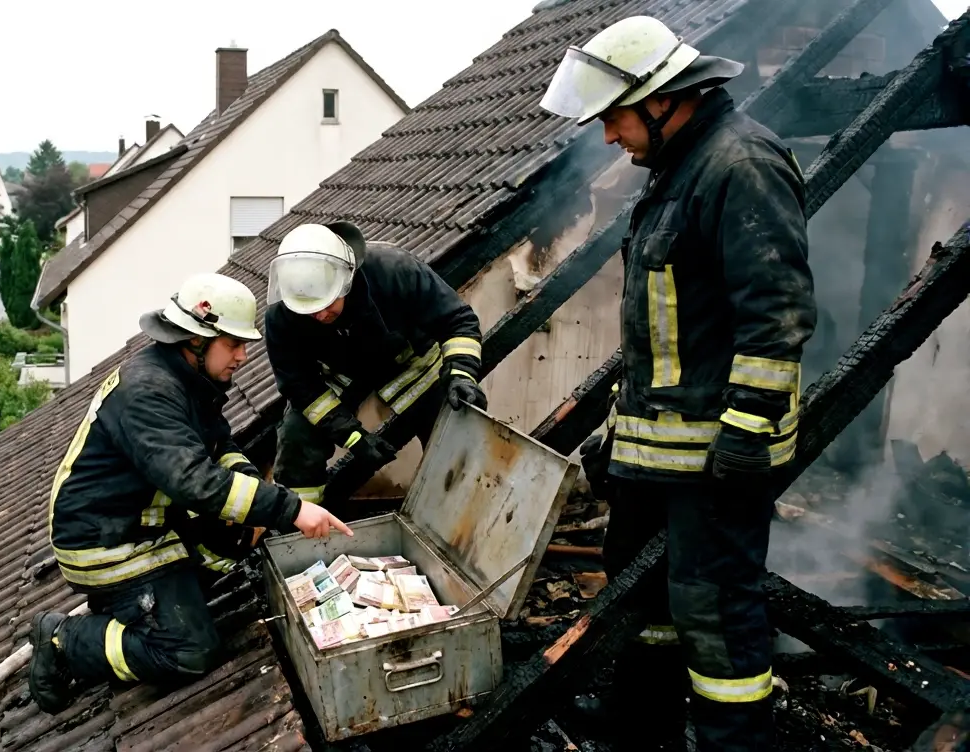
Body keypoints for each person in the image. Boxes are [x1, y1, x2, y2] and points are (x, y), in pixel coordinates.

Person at [540, 15, 816, 752]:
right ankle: (643, 726)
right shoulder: (679, 169)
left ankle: (733, 740)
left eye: (613, 116)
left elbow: (777, 314)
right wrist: (616, 435)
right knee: (647, 603)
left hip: (715, 464)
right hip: (657, 459)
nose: (606, 136)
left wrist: (748, 434)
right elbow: (666, 338)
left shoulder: (741, 164)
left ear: (663, 98)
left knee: (717, 618)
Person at [27, 272, 354, 714]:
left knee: (232, 549)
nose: (242, 356)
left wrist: (257, 495)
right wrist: (290, 510)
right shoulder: (150, 392)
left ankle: (147, 604)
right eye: (233, 344)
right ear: (197, 339)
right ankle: (64, 638)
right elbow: (194, 482)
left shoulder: (185, 379)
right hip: (106, 544)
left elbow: (221, 447)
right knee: (189, 650)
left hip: (140, 525)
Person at [262, 221, 487, 506]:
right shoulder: (282, 314)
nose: (319, 315)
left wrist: (461, 374)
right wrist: (352, 436)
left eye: (327, 303)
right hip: (341, 374)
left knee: (456, 429)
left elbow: (458, 322)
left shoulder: (394, 270)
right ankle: (303, 523)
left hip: (412, 366)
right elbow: (298, 384)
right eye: (309, 309)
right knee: (297, 436)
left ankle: (460, 512)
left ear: (347, 279)